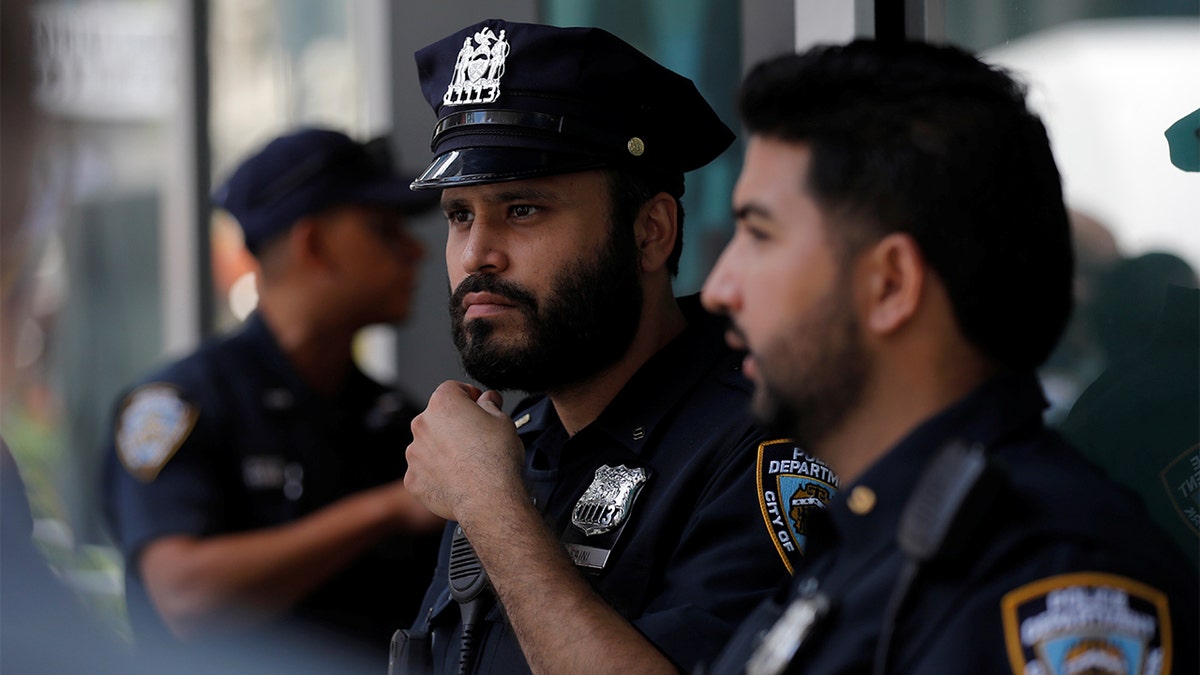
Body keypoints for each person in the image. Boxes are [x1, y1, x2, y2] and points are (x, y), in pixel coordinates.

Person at [699, 40, 1198, 674]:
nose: (720, 288)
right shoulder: (881, 538)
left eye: (760, 235)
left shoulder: (1054, 586)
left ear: (890, 284)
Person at [393, 19, 831, 675]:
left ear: (651, 232)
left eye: (522, 209)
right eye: (461, 215)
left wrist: (488, 502)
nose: (477, 253)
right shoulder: (509, 440)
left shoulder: (765, 442)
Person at [102, 127, 446, 672]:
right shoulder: (182, 404)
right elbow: (185, 597)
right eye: (385, 230)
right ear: (314, 245)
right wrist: (386, 510)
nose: (417, 250)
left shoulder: (394, 418)